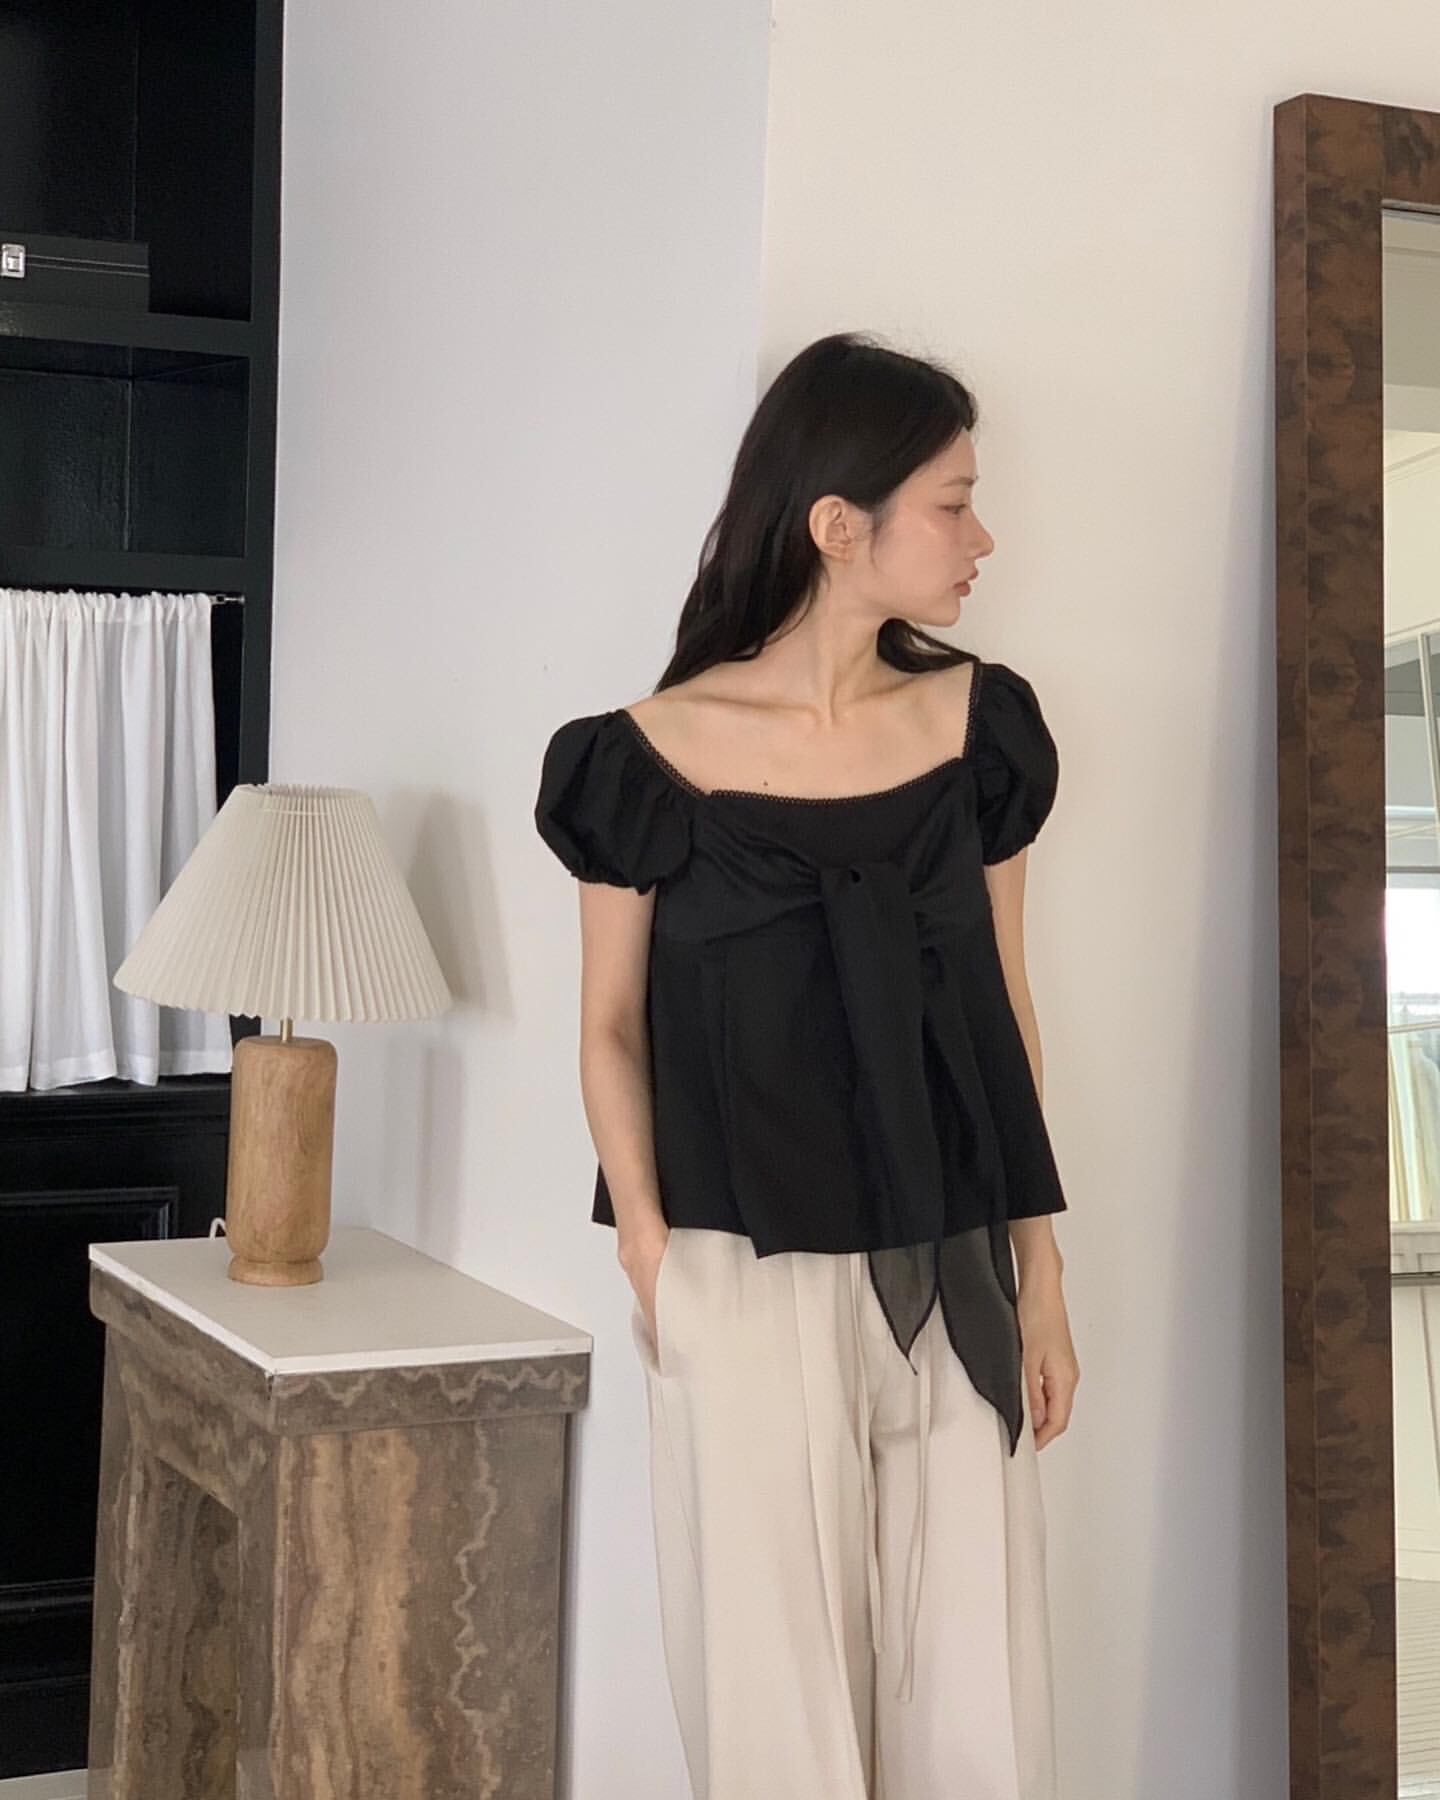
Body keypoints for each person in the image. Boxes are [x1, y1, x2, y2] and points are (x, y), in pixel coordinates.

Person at [533, 331, 1079, 1800]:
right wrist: (652, 1254)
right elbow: (608, 1024)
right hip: (737, 1258)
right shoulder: (641, 758)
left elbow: (1006, 1006)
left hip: (952, 1240)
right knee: (772, 1677)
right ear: (841, 526)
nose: (982, 538)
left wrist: (1041, 1269)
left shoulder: (983, 730)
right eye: (954, 504)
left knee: (972, 1669)